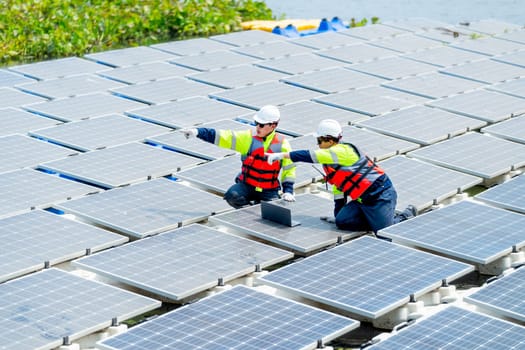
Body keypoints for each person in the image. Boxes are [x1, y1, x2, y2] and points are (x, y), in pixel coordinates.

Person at [266, 119, 416, 233]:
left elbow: (309, 155)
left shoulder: (342, 151)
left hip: (380, 196)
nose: (318, 144)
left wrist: (282, 155)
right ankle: (377, 218)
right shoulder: (330, 162)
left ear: (330, 140)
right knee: (343, 222)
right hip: (361, 200)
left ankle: (405, 215)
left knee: (384, 232)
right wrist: (338, 216)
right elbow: (339, 190)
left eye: (320, 140)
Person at [181, 105, 296, 209]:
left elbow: (289, 169)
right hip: (248, 185)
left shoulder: (283, 145)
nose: (257, 127)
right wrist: (197, 132)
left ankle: (260, 208)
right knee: (232, 196)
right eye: (256, 123)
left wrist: (288, 191)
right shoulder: (247, 138)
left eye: (261, 124)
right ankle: (247, 212)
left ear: (273, 125)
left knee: (275, 211)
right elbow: (223, 136)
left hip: (269, 190)